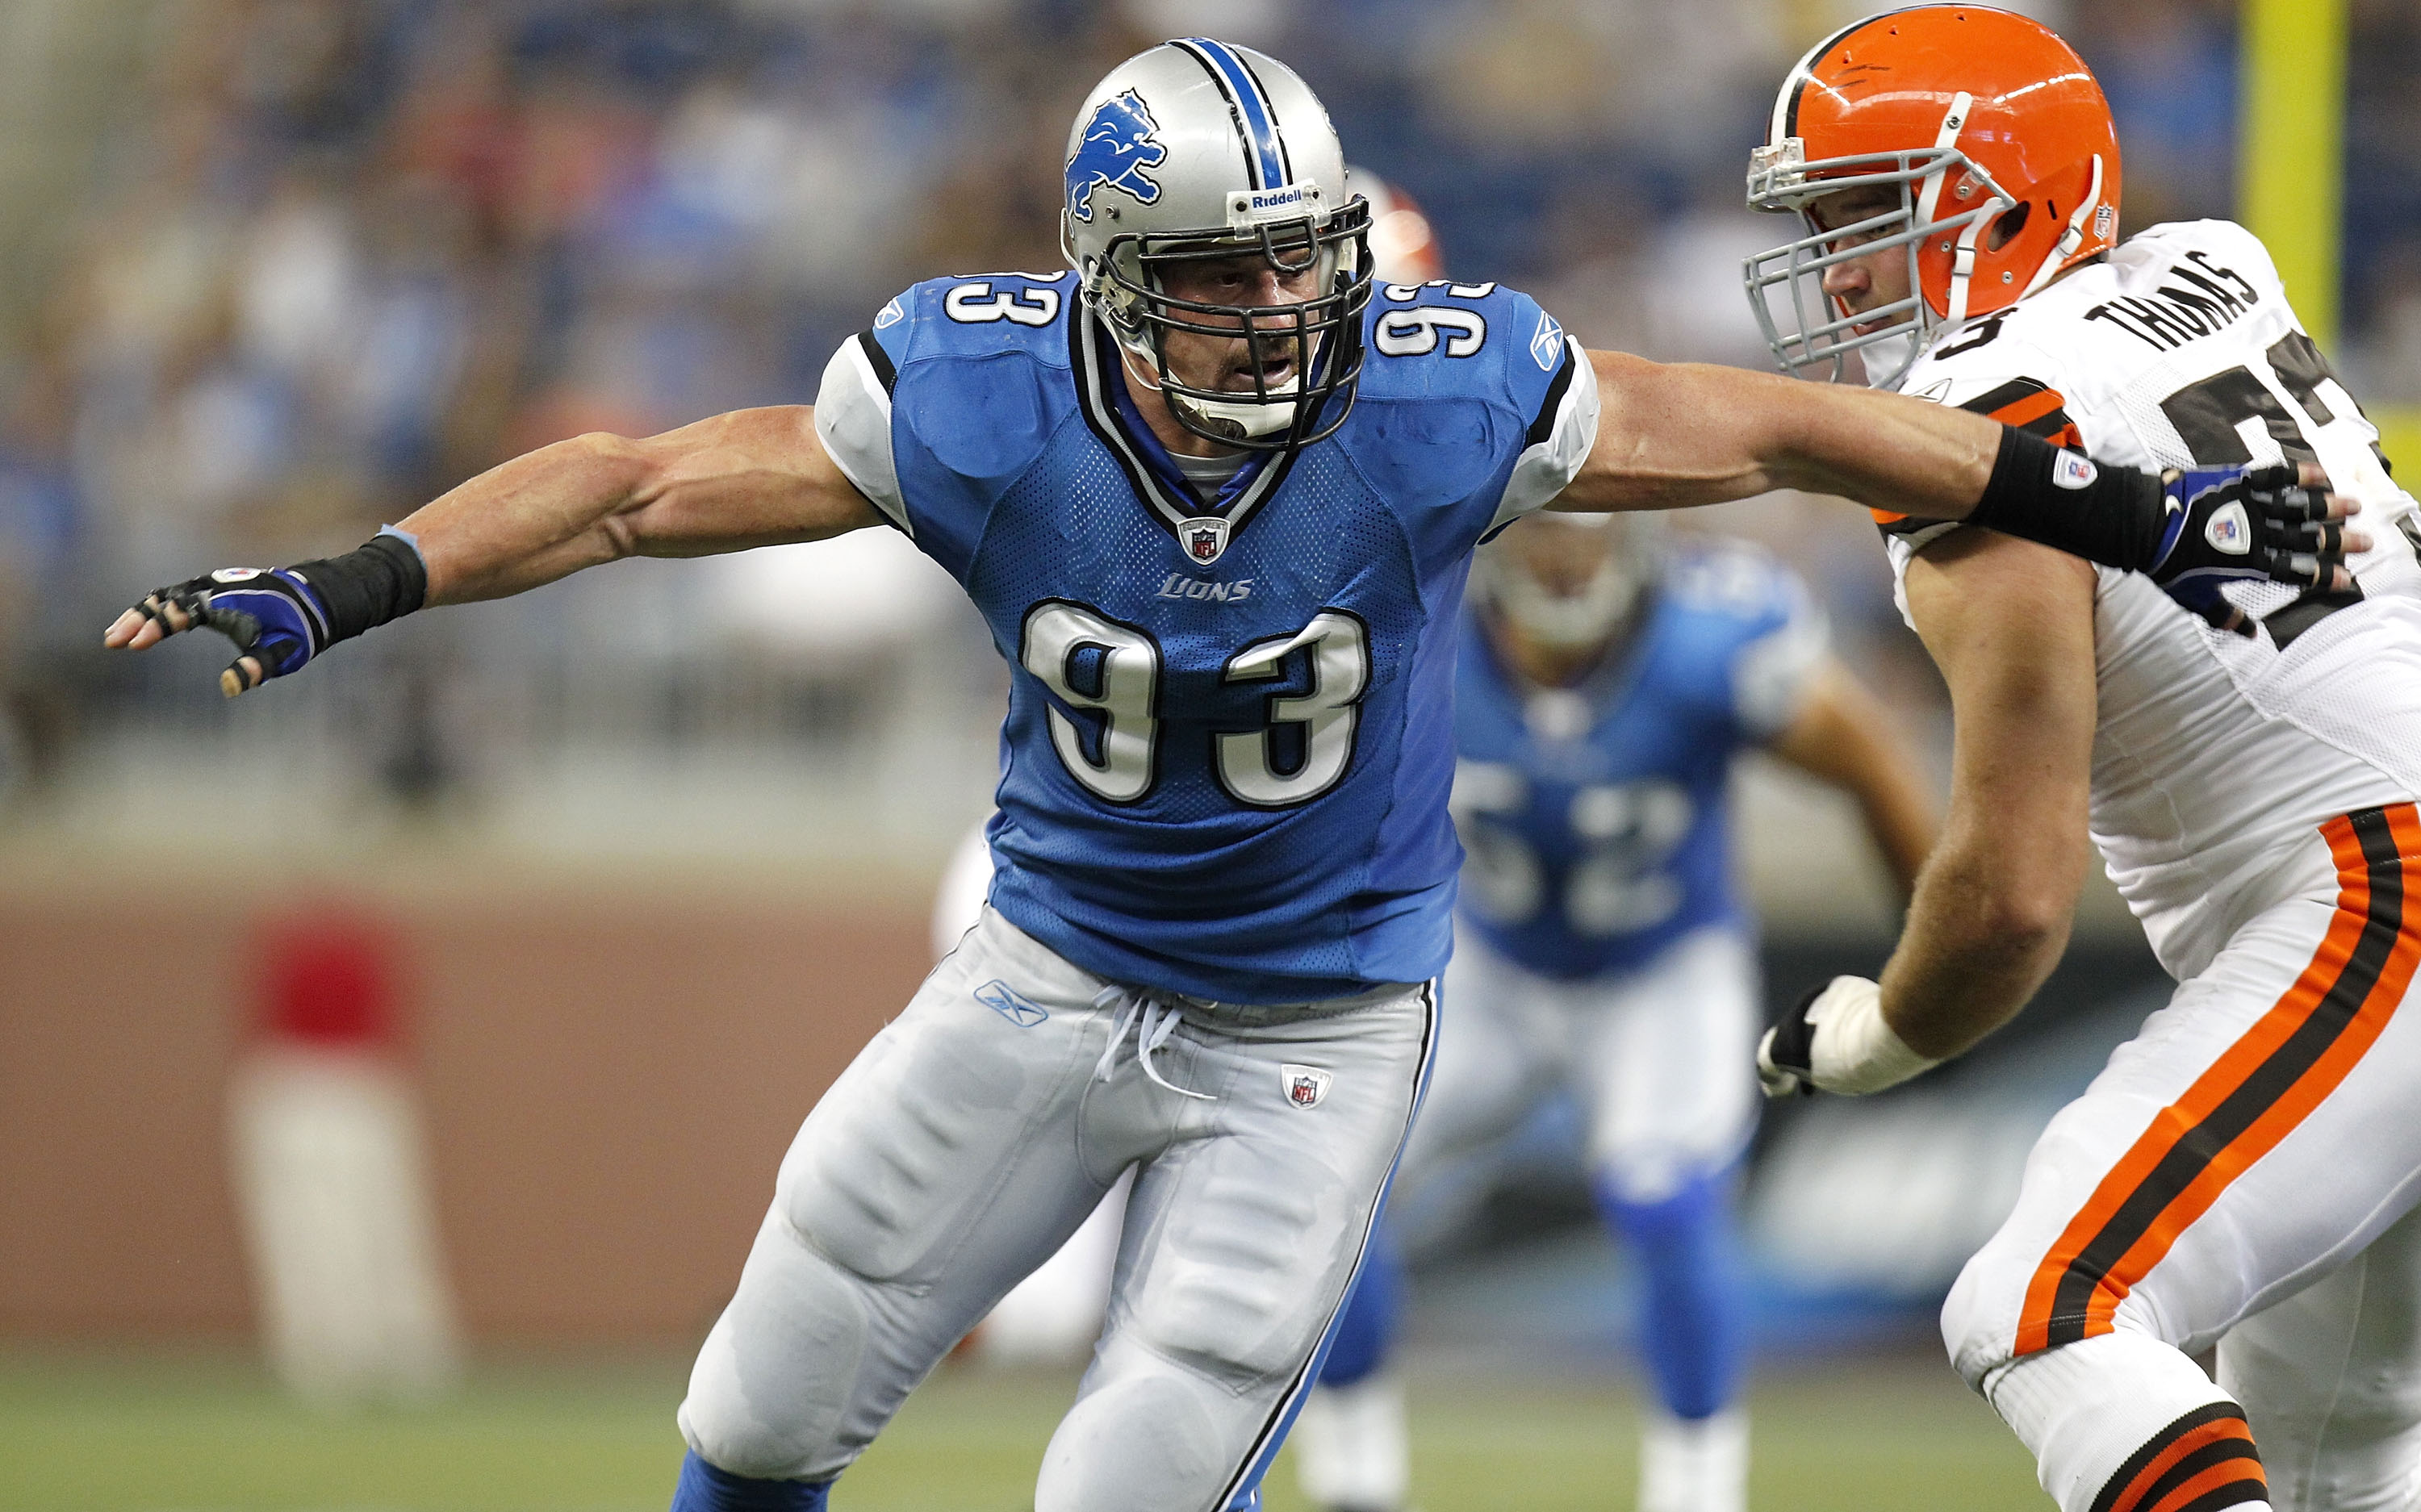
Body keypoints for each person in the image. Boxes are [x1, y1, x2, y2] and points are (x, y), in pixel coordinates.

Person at [107, 37, 2344, 1512]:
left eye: (1304, 269)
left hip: (1318, 1027)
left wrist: (2111, 504)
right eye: (1226, 282)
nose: (1285, 320)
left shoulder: (1437, 396)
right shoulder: (967, 398)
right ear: (1097, 276)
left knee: (1131, 1483)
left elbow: (1769, 421)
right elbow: (623, 488)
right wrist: (357, 578)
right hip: (1048, 969)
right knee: (757, 1412)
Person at [1742, 11, 2421, 1512]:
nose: (1832, 265)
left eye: (1864, 212)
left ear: (1996, 198)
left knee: (2048, 1305)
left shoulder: (1983, 421)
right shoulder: (2214, 268)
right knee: (2327, 1452)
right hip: (2367, 868)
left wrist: (1876, 1035)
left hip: (2377, 896)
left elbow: (2010, 896)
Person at [1293, 508, 1938, 1512]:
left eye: (1586, 539)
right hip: (1484, 964)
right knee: (1336, 1179)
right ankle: (1355, 1484)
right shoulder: (1417, 623)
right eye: (1544, 537)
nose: (1563, 563)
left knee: (1669, 1199)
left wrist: (1934, 961)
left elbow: (1869, 759)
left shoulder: (1710, 637)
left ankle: (1696, 1495)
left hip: (1662, 965)